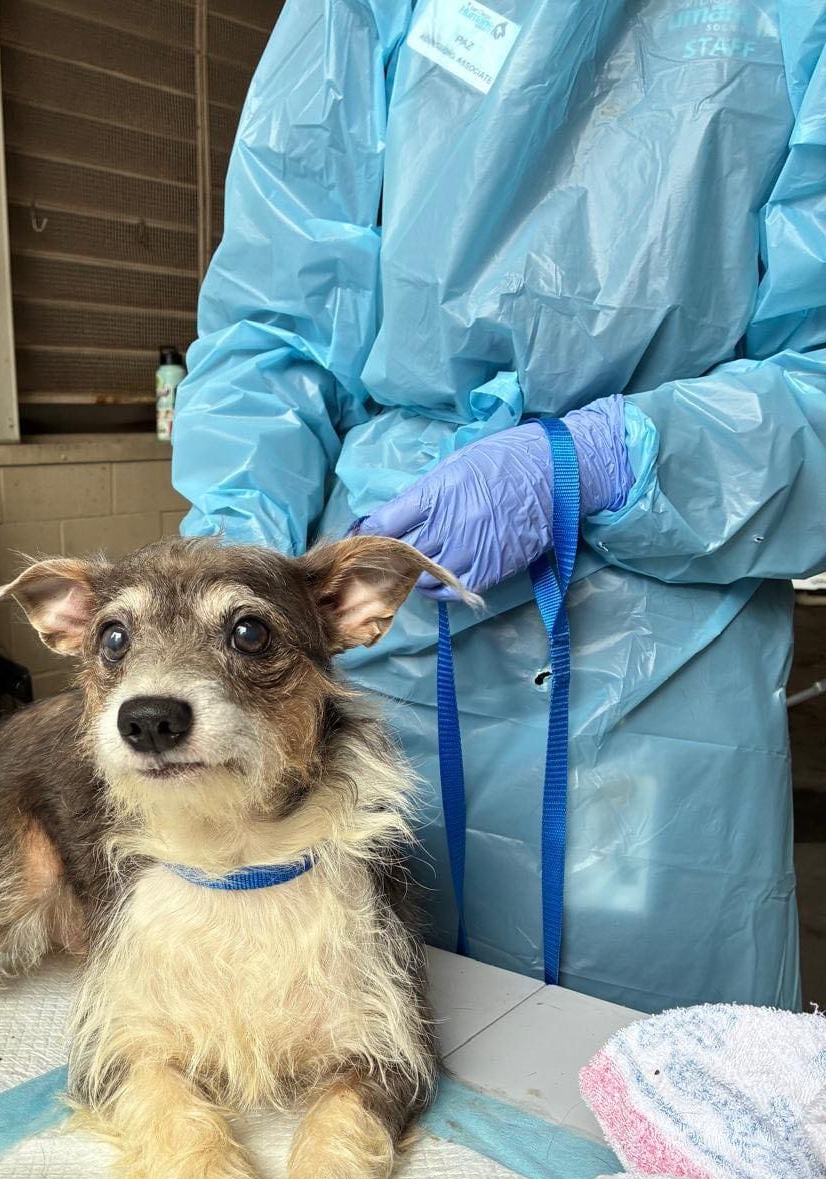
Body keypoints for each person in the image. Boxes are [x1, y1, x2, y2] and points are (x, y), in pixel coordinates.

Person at [173, 0, 826, 1014]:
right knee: (353, 1024)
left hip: (662, 677)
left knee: (641, 1066)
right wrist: (234, 572)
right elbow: (277, 318)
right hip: (387, 623)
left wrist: (610, 459)